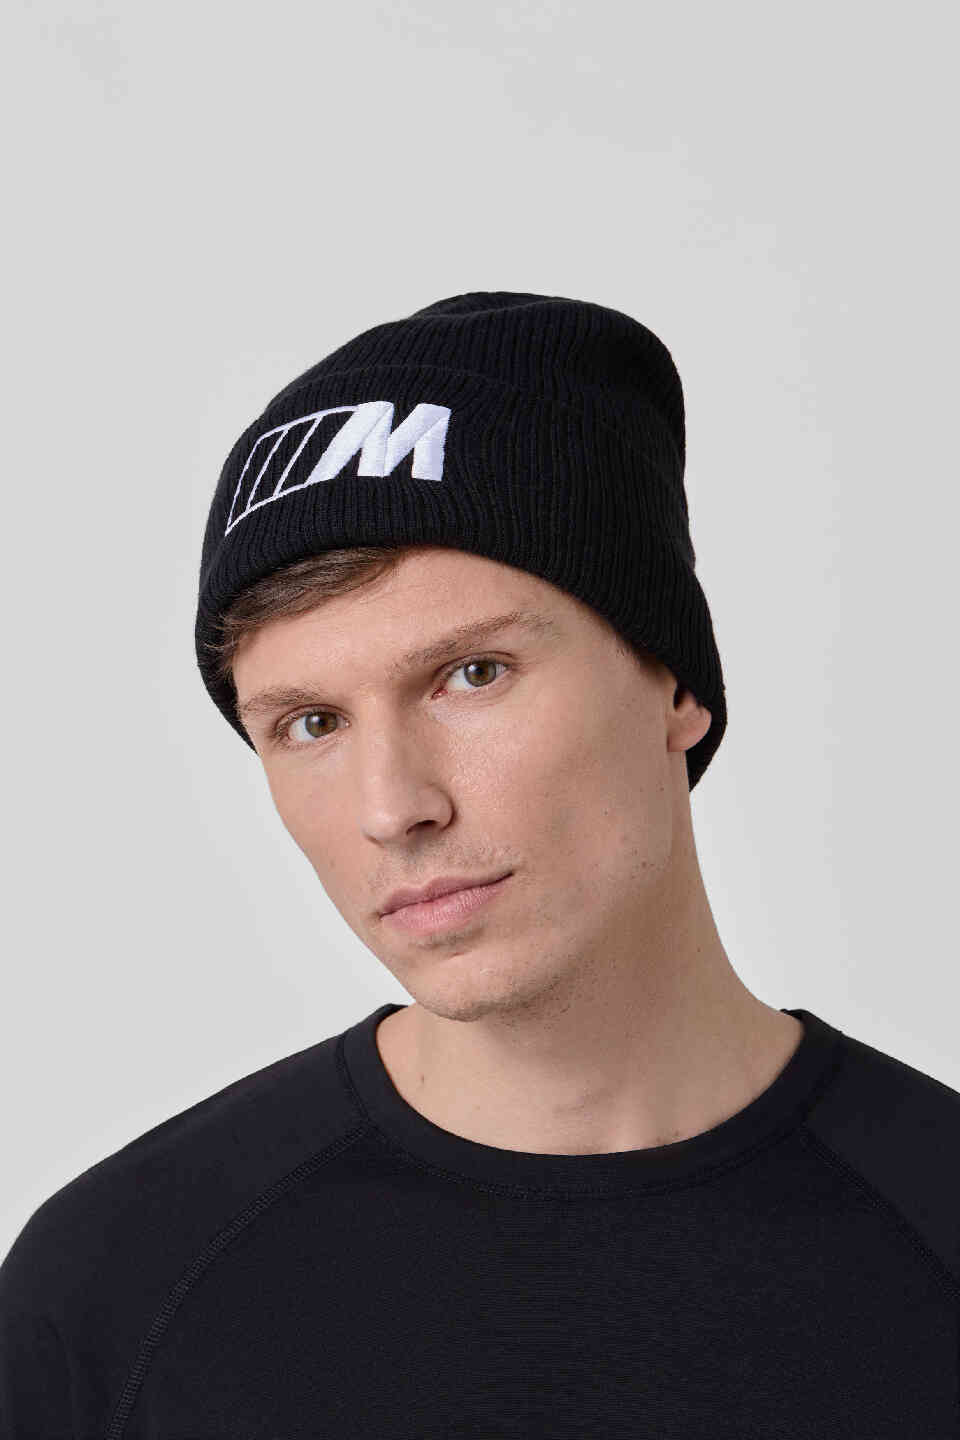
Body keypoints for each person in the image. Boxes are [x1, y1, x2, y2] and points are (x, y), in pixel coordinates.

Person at [2, 292, 958, 1437]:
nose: (392, 807)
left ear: (675, 682)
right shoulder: (112, 1295)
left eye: (472, 675)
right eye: (310, 723)